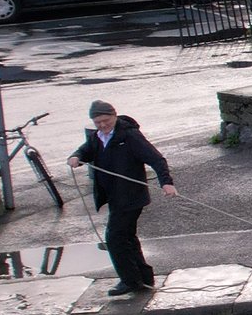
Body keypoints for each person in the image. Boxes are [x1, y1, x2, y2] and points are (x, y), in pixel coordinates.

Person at [67, 100, 177, 297]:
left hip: (131, 196)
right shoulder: (97, 137)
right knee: (127, 237)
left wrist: (166, 183)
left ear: (114, 116)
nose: (102, 125)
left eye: (105, 120)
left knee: (115, 238)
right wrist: (76, 156)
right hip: (115, 197)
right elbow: (85, 150)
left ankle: (130, 281)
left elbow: (156, 159)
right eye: (97, 122)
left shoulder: (129, 135)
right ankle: (143, 278)